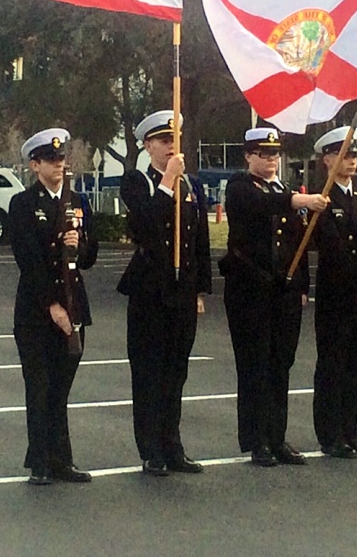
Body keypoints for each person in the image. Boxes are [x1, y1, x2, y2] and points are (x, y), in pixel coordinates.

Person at [219, 127, 329, 467]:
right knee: (255, 365)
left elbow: (298, 243)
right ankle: (257, 439)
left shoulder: (283, 189)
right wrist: (299, 200)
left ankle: (278, 436)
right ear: (248, 156)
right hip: (251, 291)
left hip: (283, 291)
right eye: (263, 154)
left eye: (274, 154)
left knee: (281, 364)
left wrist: (300, 287)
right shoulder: (240, 188)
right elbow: (260, 206)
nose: (270, 160)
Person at [117, 111, 212, 477]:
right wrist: (168, 181)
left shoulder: (191, 185)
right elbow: (145, 223)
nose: (171, 146)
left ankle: (173, 445)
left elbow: (198, 239)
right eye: (162, 140)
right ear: (148, 145)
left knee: (176, 372)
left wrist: (200, 288)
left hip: (182, 290)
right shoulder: (137, 181)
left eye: (174, 139)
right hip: (150, 291)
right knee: (149, 373)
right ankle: (151, 449)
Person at [10, 127, 98, 485]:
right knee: (40, 386)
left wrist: (81, 242)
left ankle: (62, 459)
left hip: (74, 303)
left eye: (62, 159)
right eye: (50, 160)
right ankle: (40, 461)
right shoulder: (24, 204)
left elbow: (90, 259)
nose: (58, 165)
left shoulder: (77, 202)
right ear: (35, 165)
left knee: (61, 389)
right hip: (37, 311)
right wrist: (51, 305)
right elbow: (28, 261)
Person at [312, 126, 357, 459]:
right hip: (338, 295)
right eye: (344, 156)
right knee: (334, 367)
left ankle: (351, 430)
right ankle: (330, 434)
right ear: (328, 160)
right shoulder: (322, 198)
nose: (351, 162)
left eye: (354, 156)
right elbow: (334, 248)